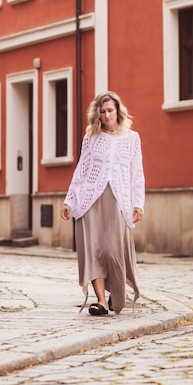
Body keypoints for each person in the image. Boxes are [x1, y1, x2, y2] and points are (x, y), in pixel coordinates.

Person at [61, 91, 145, 316]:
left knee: (111, 250)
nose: (107, 115)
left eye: (110, 110)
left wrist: (138, 203)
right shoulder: (91, 137)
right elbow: (82, 169)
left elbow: (136, 173)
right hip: (91, 202)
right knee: (94, 250)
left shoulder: (131, 139)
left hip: (118, 201)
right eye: (102, 111)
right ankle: (100, 301)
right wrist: (70, 200)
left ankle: (116, 291)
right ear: (97, 114)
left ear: (118, 111)